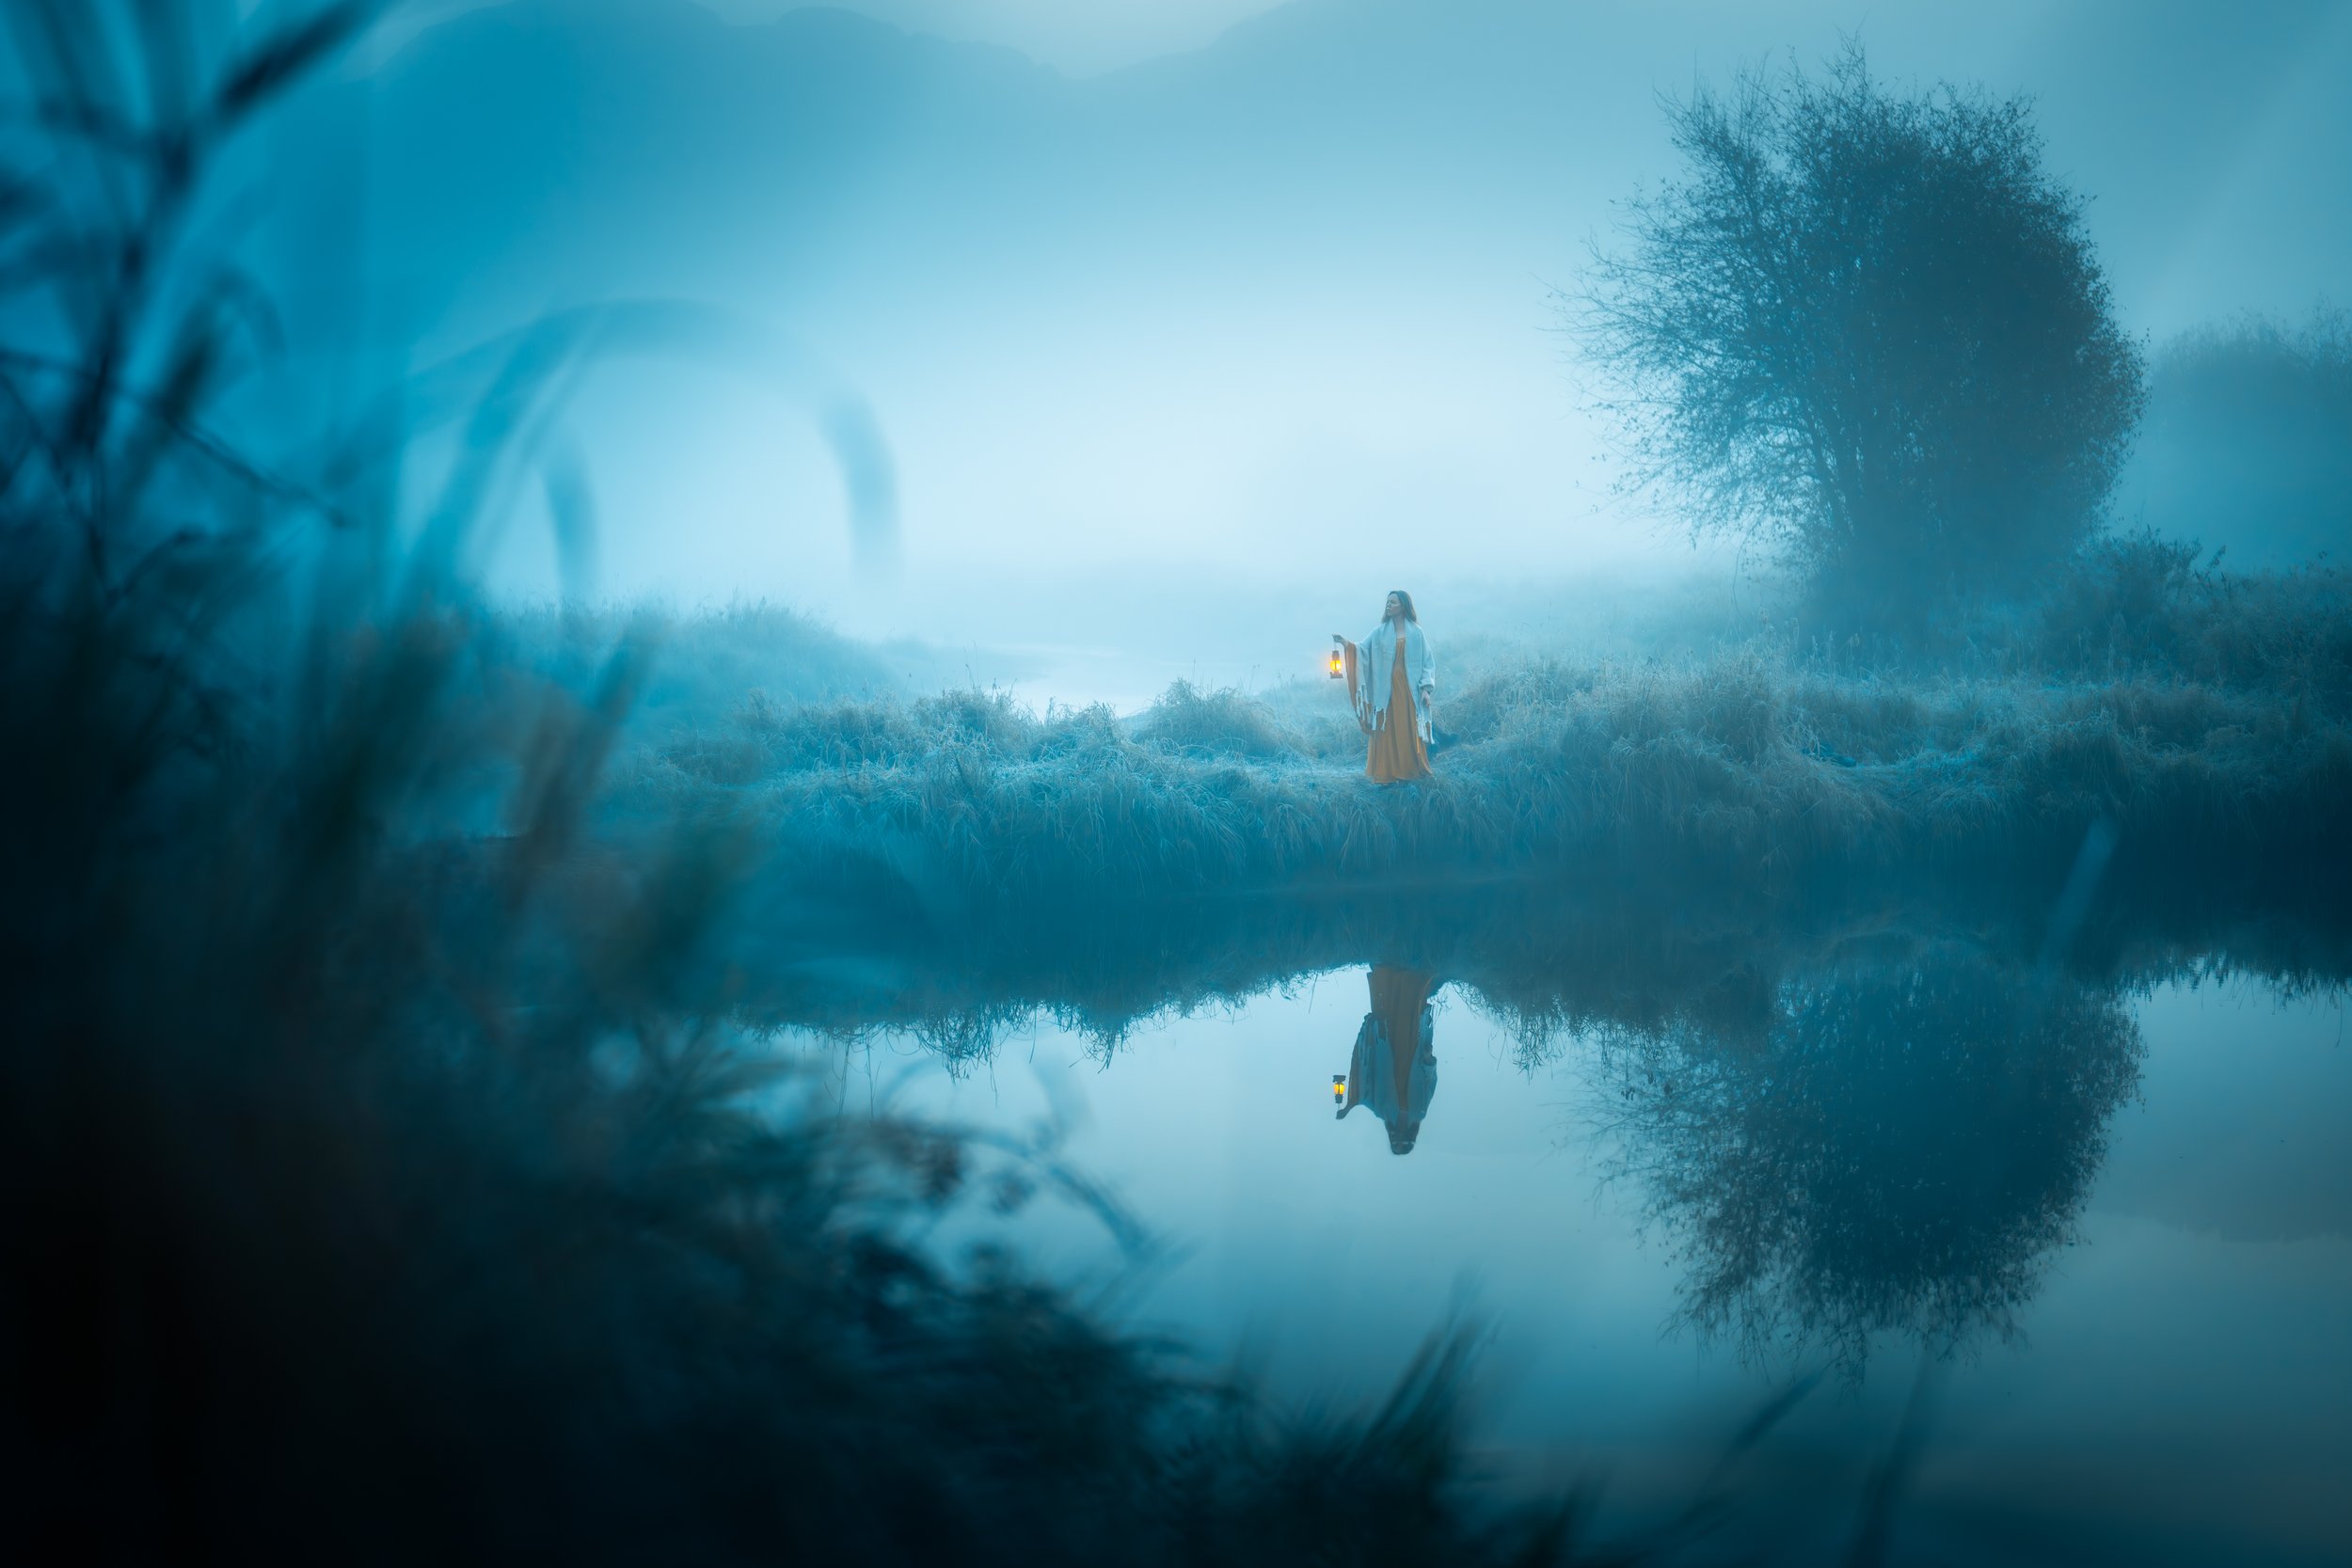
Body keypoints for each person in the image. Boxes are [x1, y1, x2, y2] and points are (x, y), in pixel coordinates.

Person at [1335, 965, 1439, 1155]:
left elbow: (1364, 1093)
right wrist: (1427, 1059)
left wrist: (1347, 1107)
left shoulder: (1381, 1111)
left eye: (1395, 1142)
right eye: (1403, 1142)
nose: (1398, 1138)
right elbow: (1430, 1080)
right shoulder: (1420, 1112)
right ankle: (1414, 969)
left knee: (1388, 1010)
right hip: (1411, 1051)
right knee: (1410, 1011)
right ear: (1410, 1138)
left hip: (1387, 1049)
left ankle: (1387, 967)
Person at [1335, 591, 1434, 784]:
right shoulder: (1379, 632)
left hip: (1409, 690)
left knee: (1408, 728)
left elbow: (1427, 663)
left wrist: (1425, 689)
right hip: (1385, 691)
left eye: (1393, 602)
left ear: (1403, 606)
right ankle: (1387, 774)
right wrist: (1346, 644)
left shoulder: (1416, 633)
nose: (1388, 605)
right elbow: (1361, 649)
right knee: (1386, 727)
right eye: (1387, 602)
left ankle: (1410, 771)